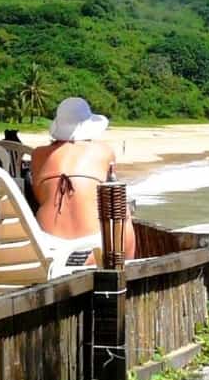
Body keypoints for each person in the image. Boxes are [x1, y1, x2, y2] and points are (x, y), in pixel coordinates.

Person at [29, 97, 137, 262]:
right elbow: (110, 194)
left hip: (46, 247)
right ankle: (127, 268)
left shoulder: (38, 154)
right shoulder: (104, 151)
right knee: (122, 209)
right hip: (93, 249)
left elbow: (39, 196)